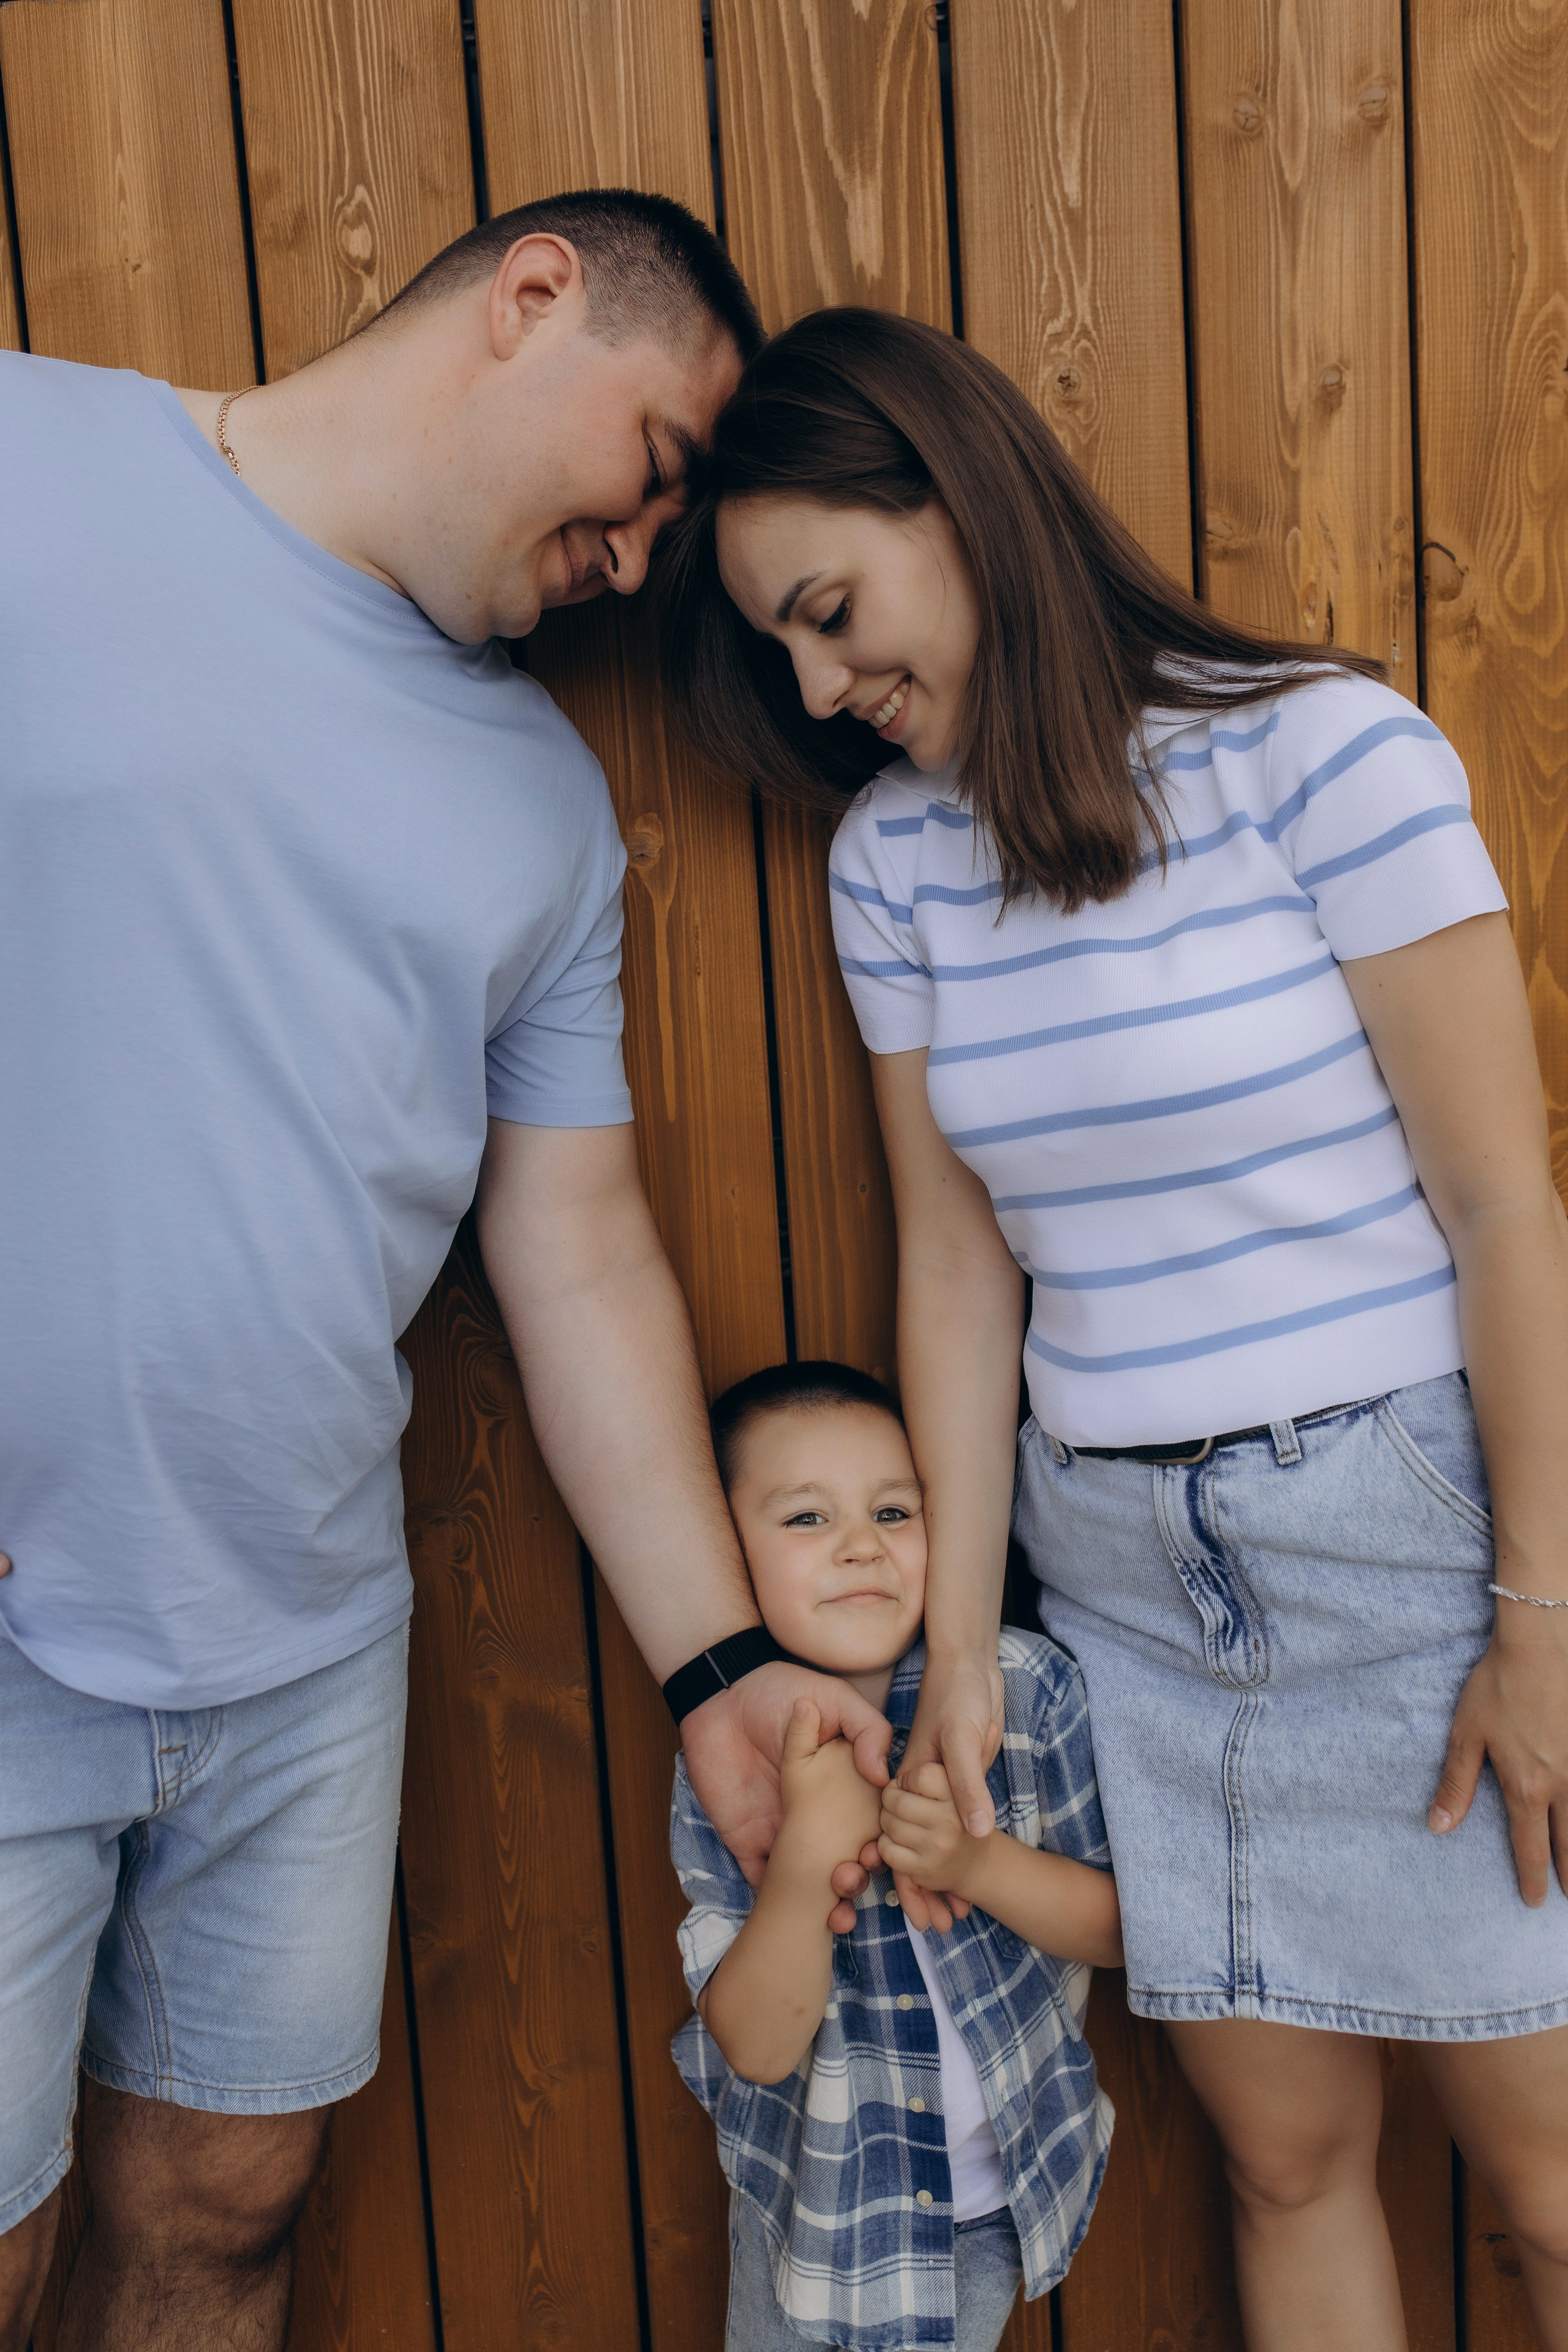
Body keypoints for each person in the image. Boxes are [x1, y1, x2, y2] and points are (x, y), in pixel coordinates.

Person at [0, 197, 892, 2352]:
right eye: (661, 468)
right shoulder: (34, 463)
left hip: (299, 1644)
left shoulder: (542, 808)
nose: (647, 548)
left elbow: (573, 1255)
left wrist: (715, 1676)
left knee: (223, 2218)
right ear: (532, 298)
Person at [660, 307, 1568, 2351]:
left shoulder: (1322, 753)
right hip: (1127, 1591)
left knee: (1554, 2189)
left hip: (1413, 1557)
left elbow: (1510, 1211)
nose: (818, 687)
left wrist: (1545, 1618)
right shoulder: (891, 859)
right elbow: (959, 1262)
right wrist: (965, 1638)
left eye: (830, 611)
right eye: (780, 653)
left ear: (959, 499)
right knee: (1283, 2163)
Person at [671, 1360, 1121, 2351]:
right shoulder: (733, 1754)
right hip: (815, 2231)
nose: (861, 1547)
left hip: (990, 2210)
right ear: (724, 1556)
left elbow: (1125, 1931)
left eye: (893, 1511)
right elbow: (754, 2045)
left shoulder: (1027, 1699)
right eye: (805, 1520)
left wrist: (979, 1866)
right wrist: (803, 1870)